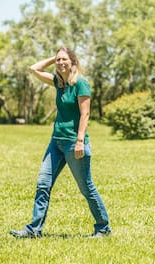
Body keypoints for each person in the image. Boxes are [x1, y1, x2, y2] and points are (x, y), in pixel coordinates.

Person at [9, 47, 111, 238]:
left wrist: (80, 141)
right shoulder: (59, 82)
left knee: (86, 187)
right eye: (58, 60)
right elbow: (34, 69)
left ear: (73, 61)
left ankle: (103, 227)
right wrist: (53, 59)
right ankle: (34, 230)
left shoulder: (81, 84)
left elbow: (85, 114)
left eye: (64, 59)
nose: (61, 63)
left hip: (74, 144)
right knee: (43, 184)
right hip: (56, 143)